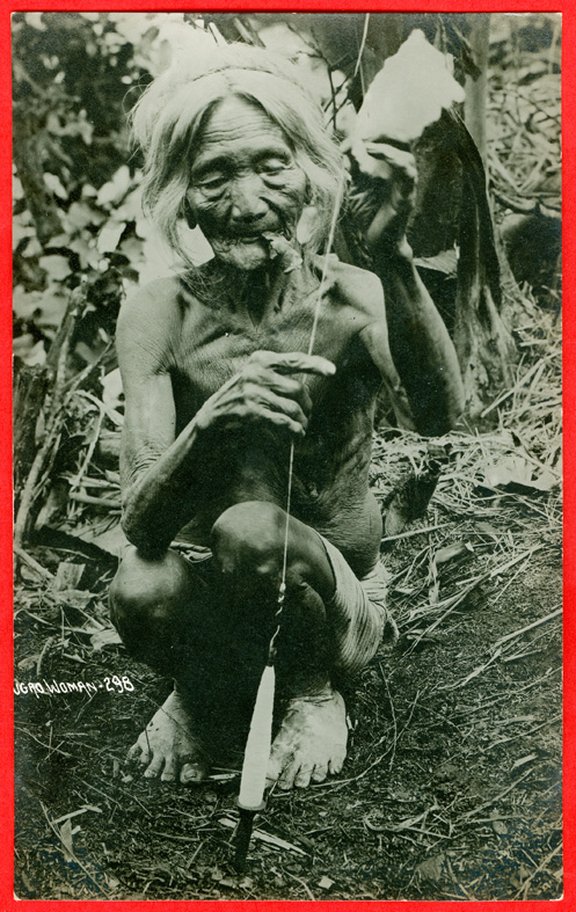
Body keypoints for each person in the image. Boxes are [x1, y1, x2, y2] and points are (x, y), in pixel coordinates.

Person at [109, 43, 464, 790]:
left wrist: (392, 255)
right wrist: (211, 423)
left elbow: (438, 418)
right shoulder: (158, 311)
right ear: (180, 194)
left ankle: (313, 690)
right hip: (218, 594)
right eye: (214, 175)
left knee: (250, 528)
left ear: (311, 172)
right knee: (139, 587)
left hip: (334, 603)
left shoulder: (356, 297)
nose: (247, 202)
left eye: (272, 165)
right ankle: (203, 688)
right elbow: (141, 526)